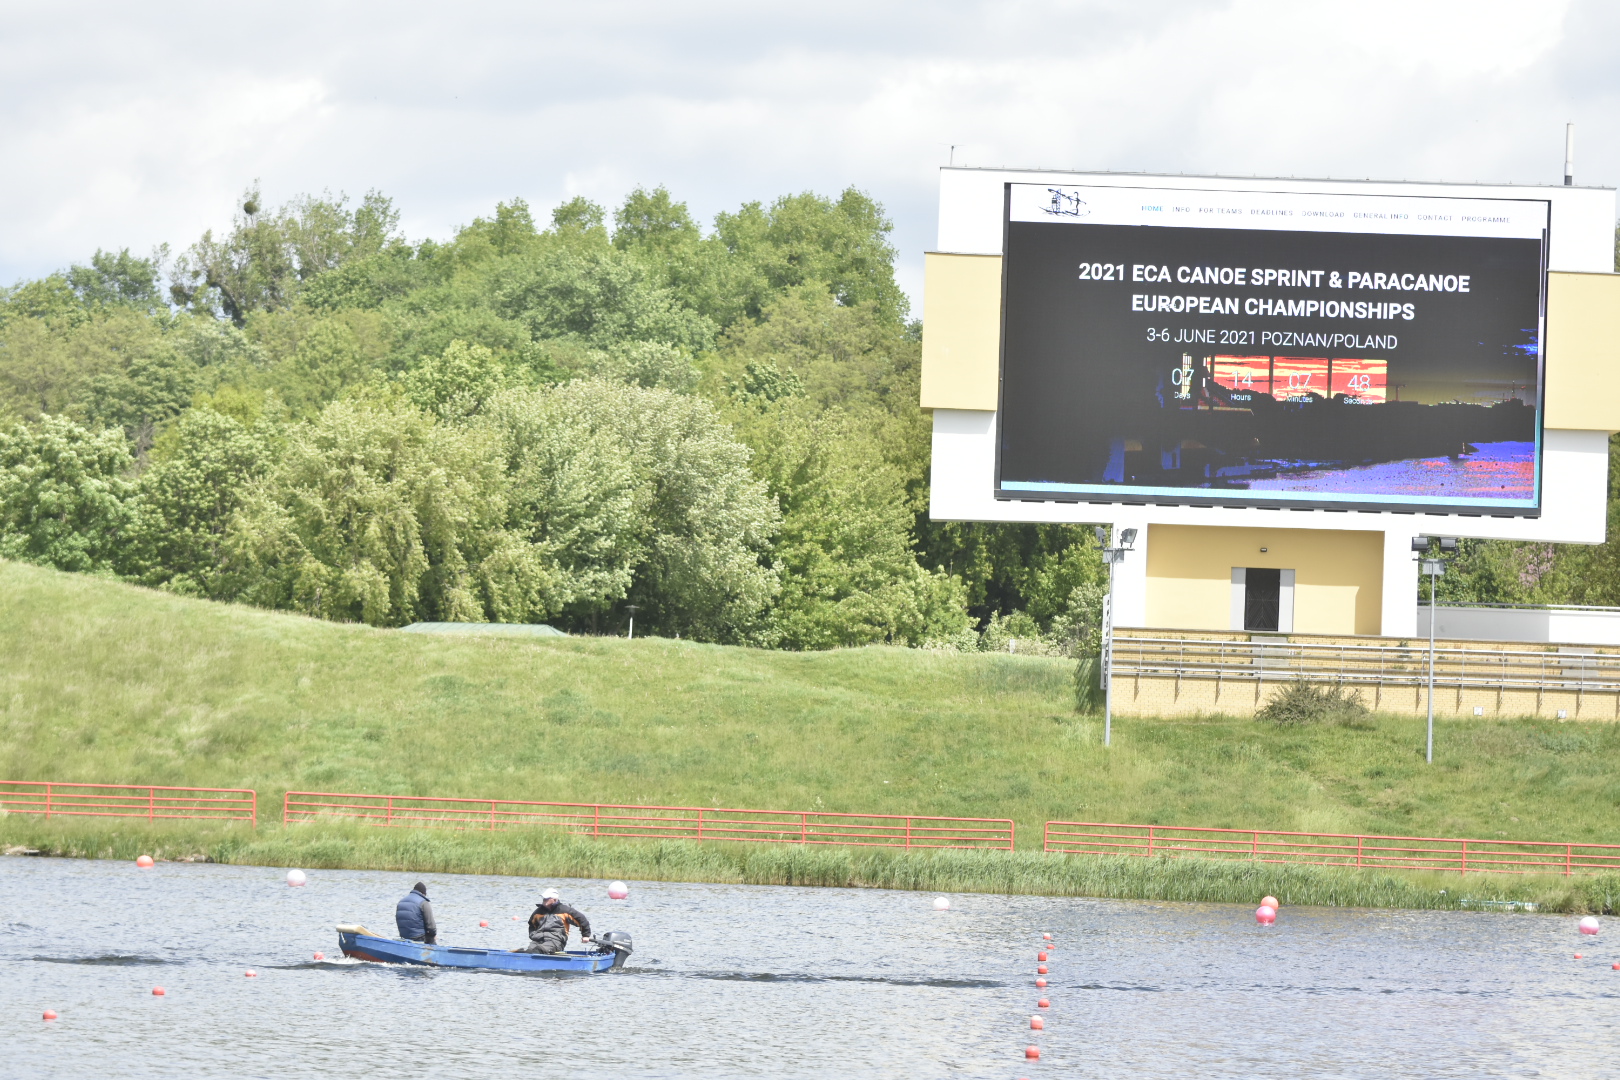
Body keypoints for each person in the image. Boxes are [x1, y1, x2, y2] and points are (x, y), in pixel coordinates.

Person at [521, 887, 592, 954]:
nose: (544, 900)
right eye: (544, 898)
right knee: (529, 952)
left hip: (555, 941)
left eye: (547, 898)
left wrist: (585, 935)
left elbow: (582, 920)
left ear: (554, 900)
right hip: (537, 940)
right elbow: (532, 925)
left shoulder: (565, 910)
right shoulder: (538, 912)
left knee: (538, 950)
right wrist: (533, 935)